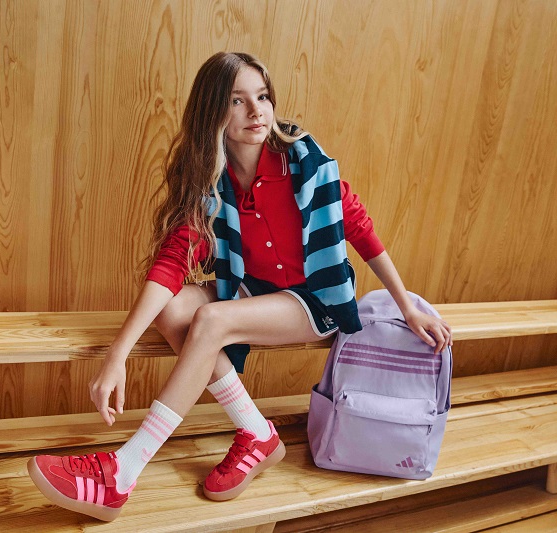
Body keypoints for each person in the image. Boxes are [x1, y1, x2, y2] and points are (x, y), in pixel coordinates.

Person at [27, 51, 452, 522]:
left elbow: (360, 229)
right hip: (252, 288)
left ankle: (122, 471)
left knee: (212, 320)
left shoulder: (304, 162)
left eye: (262, 96)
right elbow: (173, 262)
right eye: (237, 100)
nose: (256, 111)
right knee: (174, 310)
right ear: (214, 112)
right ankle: (256, 433)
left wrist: (407, 307)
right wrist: (118, 352)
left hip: (317, 300)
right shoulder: (209, 177)